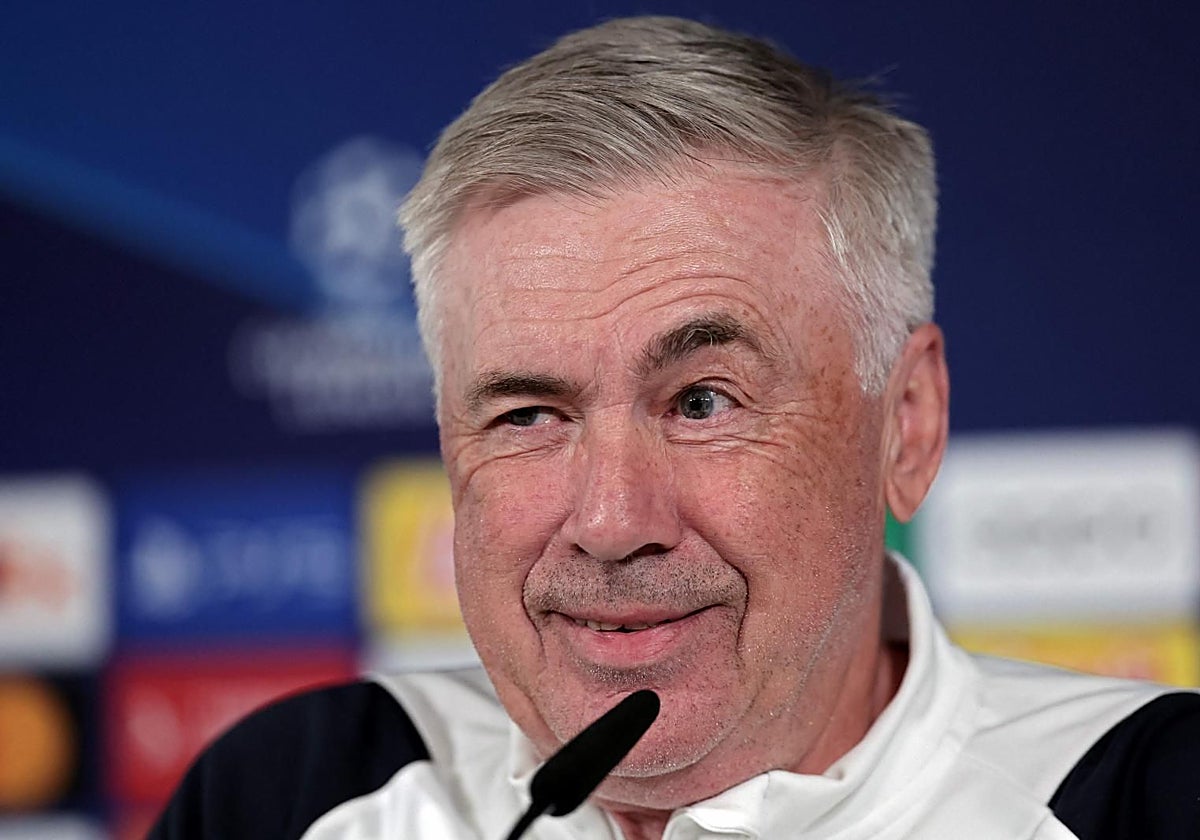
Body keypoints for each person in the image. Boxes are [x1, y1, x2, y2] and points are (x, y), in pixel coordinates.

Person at [150, 16, 1199, 840]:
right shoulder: (294, 799)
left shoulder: (1148, 803)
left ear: (907, 425)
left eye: (702, 401)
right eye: (528, 413)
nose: (611, 521)